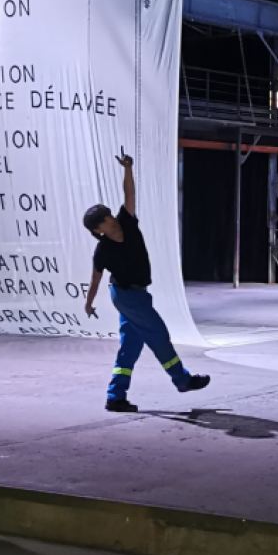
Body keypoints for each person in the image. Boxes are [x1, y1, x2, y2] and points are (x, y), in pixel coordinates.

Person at [83, 150, 209, 412]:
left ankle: (115, 397)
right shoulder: (103, 250)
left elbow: (129, 194)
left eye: (107, 214)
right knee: (159, 336)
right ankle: (182, 381)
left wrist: (127, 168)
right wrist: (89, 303)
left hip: (137, 294)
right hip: (126, 295)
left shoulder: (127, 222)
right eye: (103, 220)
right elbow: (95, 279)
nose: (110, 219)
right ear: (98, 230)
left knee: (129, 346)